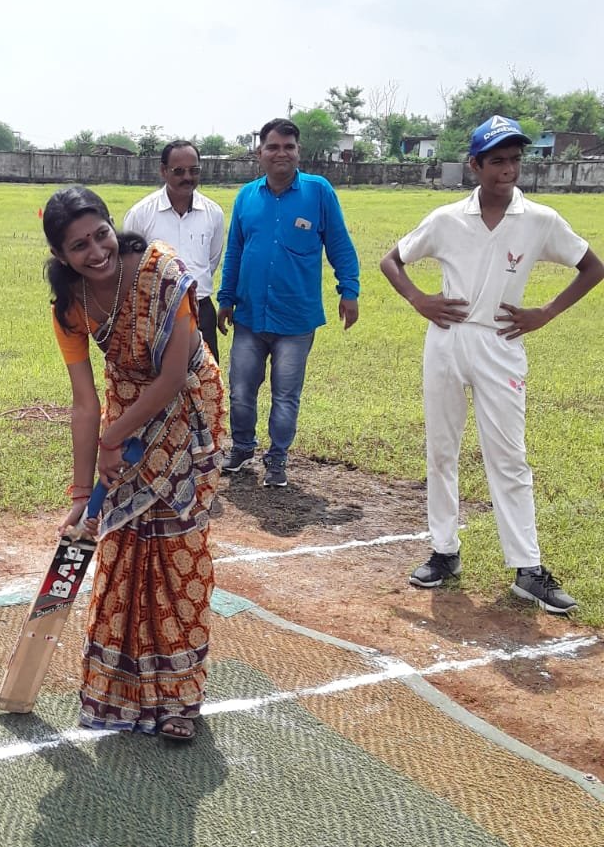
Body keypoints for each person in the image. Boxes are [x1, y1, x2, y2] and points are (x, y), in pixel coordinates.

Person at [380, 114, 604, 614]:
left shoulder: (540, 219)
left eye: (515, 159)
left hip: (499, 343)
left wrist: (544, 313)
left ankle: (528, 568)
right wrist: (420, 300)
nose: (508, 169)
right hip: (445, 340)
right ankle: (445, 550)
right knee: (442, 449)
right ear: (475, 164)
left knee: (508, 455)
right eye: (498, 160)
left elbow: (593, 266)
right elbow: (392, 260)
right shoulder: (446, 218)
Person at [43, 185, 226, 742]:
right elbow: (83, 403)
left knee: (176, 551)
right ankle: (122, 692)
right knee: (123, 547)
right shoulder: (70, 306)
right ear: (61, 255)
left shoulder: (162, 273)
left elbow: (172, 378)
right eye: (78, 246)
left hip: (189, 412)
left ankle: (179, 701)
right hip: (124, 413)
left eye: (100, 234)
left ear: (111, 227)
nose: (95, 251)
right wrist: (80, 496)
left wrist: (112, 439)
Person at [216, 118, 360, 487]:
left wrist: (349, 290)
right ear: (259, 153)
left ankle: (277, 459)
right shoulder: (247, 196)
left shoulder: (318, 191)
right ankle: (242, 448)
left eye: (289, 147)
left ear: (298, 152)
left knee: (285, 395)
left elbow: (340, 244)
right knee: (241, 391)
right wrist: (226, 298)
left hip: (296, 319)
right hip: (249, 316)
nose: (282, 153)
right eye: (273, 147)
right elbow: (235, 250)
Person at [122, 141, 225, 361]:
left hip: (201, 309)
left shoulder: (213, 213)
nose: (187, 177)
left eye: (194, 170)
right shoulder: (141, 214)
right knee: (159, 383)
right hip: (157, 313)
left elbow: (211, 261)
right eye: (178, 171)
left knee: (206, 384)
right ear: (163, 171)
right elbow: (129, 267)